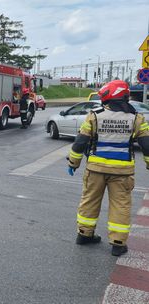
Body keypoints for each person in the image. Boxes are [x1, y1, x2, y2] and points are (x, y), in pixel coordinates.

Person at [67, 80, 149, 256]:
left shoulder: (94, 115)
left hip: (95, 169)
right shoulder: (137, 118)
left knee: (89, 201)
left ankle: (84, 235)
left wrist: (73, 163)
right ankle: (118, 244)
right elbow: (146, 145)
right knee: (120, 205)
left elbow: (80, 142)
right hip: (122, 172)